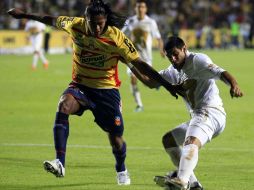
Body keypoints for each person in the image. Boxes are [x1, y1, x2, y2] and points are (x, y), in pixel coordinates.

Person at [7, 0, 178, 186]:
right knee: (63, 104)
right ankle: (60, 162)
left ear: (106, 21)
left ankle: (121, 168)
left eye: (101, 23)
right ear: (85, 19)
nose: (97, 28)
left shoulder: (117, 38)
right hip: (81, 87)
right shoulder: (75, 25)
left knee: (116, 138)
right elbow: (49, 19)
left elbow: (141, 64)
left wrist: (166, 85)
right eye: (93, 23)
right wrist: (24, 15)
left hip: (107, 92)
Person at [131, 36, 243, 190]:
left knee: (190, 142)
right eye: (169, 56)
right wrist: (130, 63)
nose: (173, 58)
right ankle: (194, 184)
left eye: (175, 54)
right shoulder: (173, 71)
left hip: (210, 113)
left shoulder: (198, 61)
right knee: (169, 140)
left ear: (184, 48)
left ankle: (182, 180)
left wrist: (234, 85)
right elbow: (150, 82)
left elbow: (221, 72)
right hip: (198, 116)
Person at [122, 0, 165, 112]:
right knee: (133, 78)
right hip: (133, 56)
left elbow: (158, 38)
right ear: (135, 9)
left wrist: (161, 49)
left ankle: (156, 84)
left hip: (146, 57)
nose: (140, 9)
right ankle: (139, 105)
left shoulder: (151, 22)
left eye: (142, 7)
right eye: (138, 7)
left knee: (147, 81)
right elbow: (121, 35)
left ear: (145, 9)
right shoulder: (130, 21)